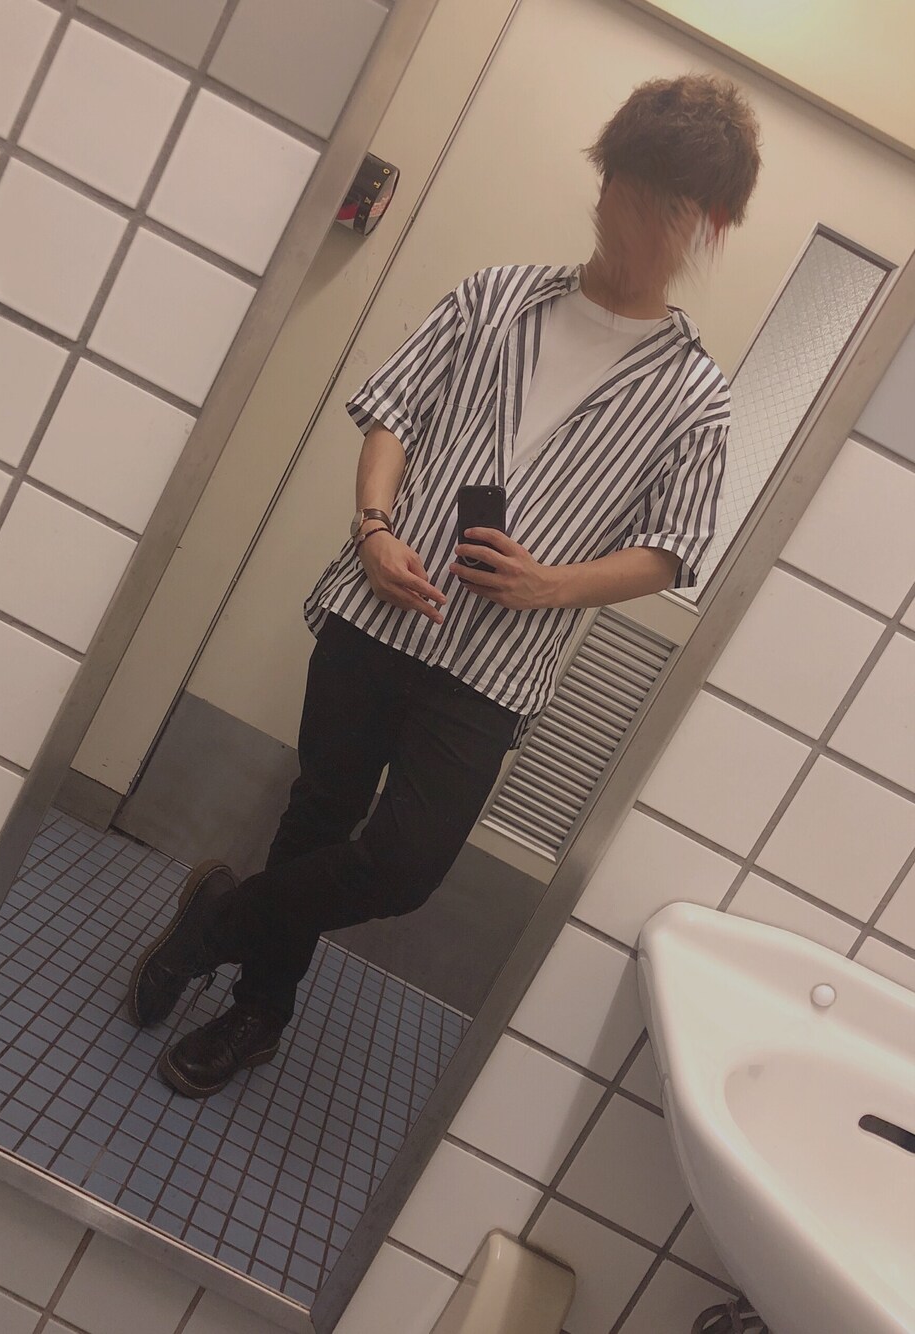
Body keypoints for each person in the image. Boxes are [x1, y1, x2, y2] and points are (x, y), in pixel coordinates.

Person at [126, 72, 762, 1099]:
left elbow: (673, 547)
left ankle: (214, 922)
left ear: (711, 225)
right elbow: (394, 413)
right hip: (375, 610)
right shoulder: (494, 295)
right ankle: (259, 1009)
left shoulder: (696, 396)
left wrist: (554, 584)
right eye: (628, 194)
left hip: (492, 667)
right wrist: (373, 527)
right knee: (320, 810)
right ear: (604, 179)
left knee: (403, 866)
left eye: (668, 212)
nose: (636, 227)